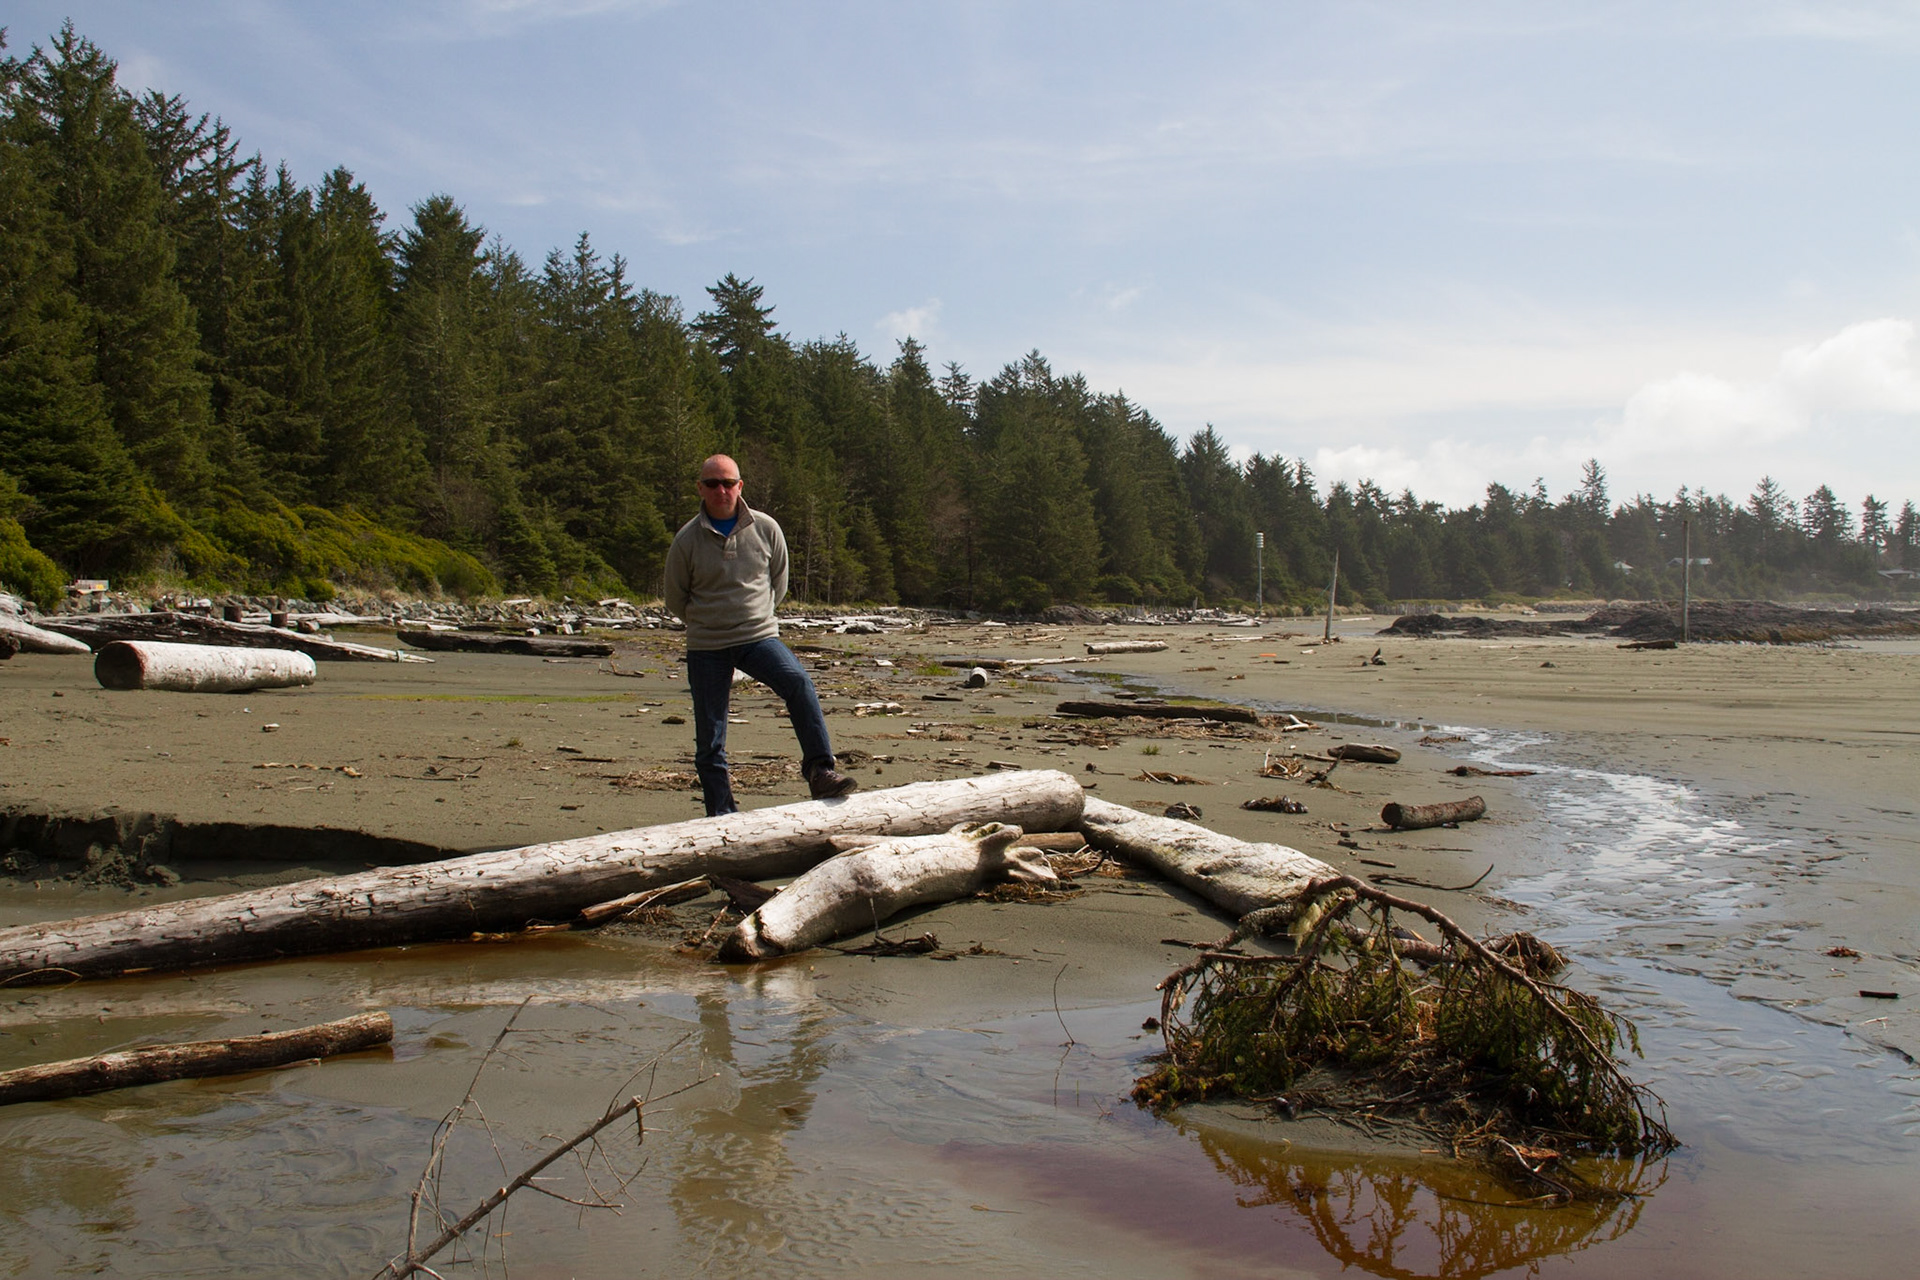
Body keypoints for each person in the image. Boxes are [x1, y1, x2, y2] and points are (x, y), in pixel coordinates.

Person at [662, 454, 856, 816]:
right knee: (710, 736)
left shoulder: (766, 528)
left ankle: (820, 771)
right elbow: (676, 598)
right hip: (707, 645)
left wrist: (755, 616)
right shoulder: (686, 541)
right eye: (712, 483)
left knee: (798, 682)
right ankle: (721, 815)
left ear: (740, 486)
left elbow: (777, 584)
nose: (721, 490)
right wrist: (710, 622)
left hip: (758, 636)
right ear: (700, 489)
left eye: (728, 482)